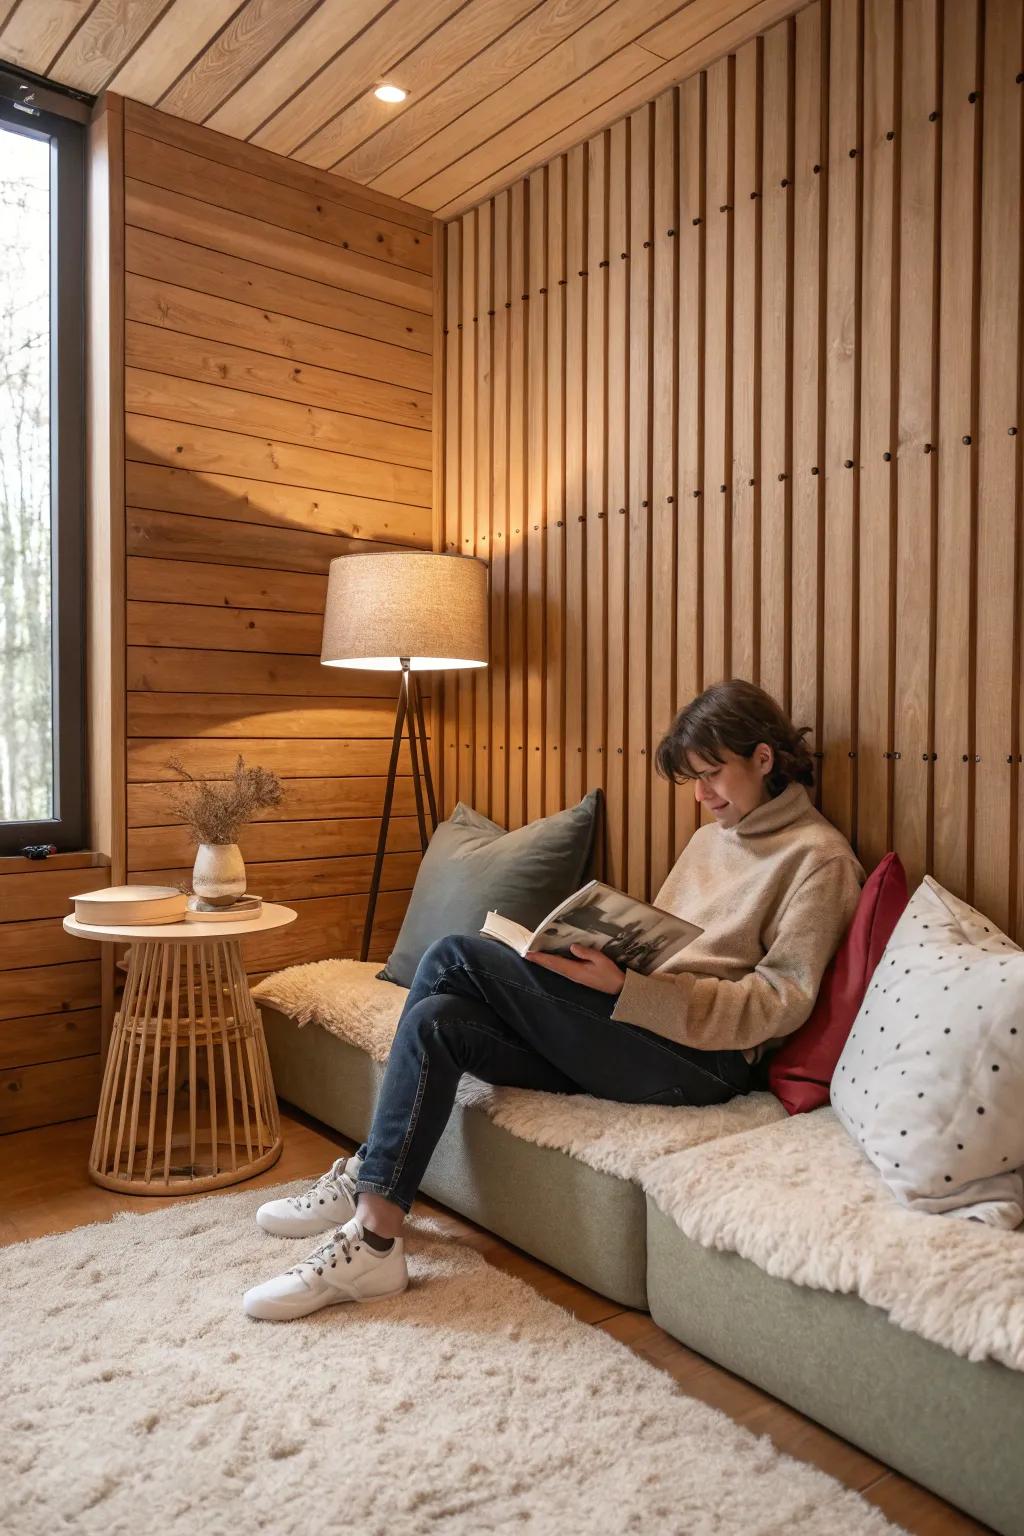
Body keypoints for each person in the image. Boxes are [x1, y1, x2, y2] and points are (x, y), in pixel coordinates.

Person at [243, 679, 865, 1320]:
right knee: (437, 1021)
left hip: (705, 1063)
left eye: (712, 775)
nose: (703, 795)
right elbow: (674, 950)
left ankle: (372, 1210)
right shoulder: (714, 837)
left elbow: (779, 1002)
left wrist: (627, 988)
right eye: (694, 780)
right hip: (636, 1026)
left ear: (763, 759)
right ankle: (377, 1219)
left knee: (454, 953)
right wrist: (604, 967)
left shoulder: (819, 860)